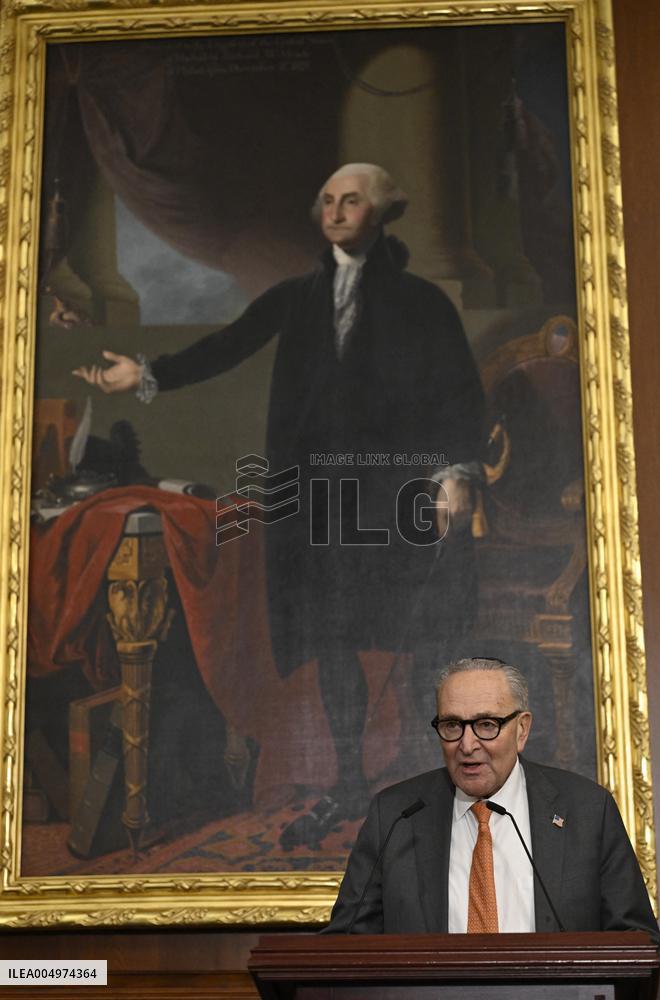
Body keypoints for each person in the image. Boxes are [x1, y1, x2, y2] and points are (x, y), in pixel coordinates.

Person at [73, 164, 486, 847]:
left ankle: (433, 780)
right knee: (333, 642)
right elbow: (228, 345)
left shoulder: (422, 302)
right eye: (326, 199)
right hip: (319, 502)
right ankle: (351, 783)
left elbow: (458, 393)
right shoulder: (296, 296)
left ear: (382, 212)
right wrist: (145, 373)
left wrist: (454, 474)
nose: (334, 210)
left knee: (419, 640)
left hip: (396, 497)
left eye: (350, 200)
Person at [325, 656, 660, 950]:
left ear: (522, 730)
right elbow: (344, 945)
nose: (467, 744)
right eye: (452, 725)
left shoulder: (588, 810)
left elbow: (637, 941)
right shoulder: (396, 814)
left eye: (487, 724)